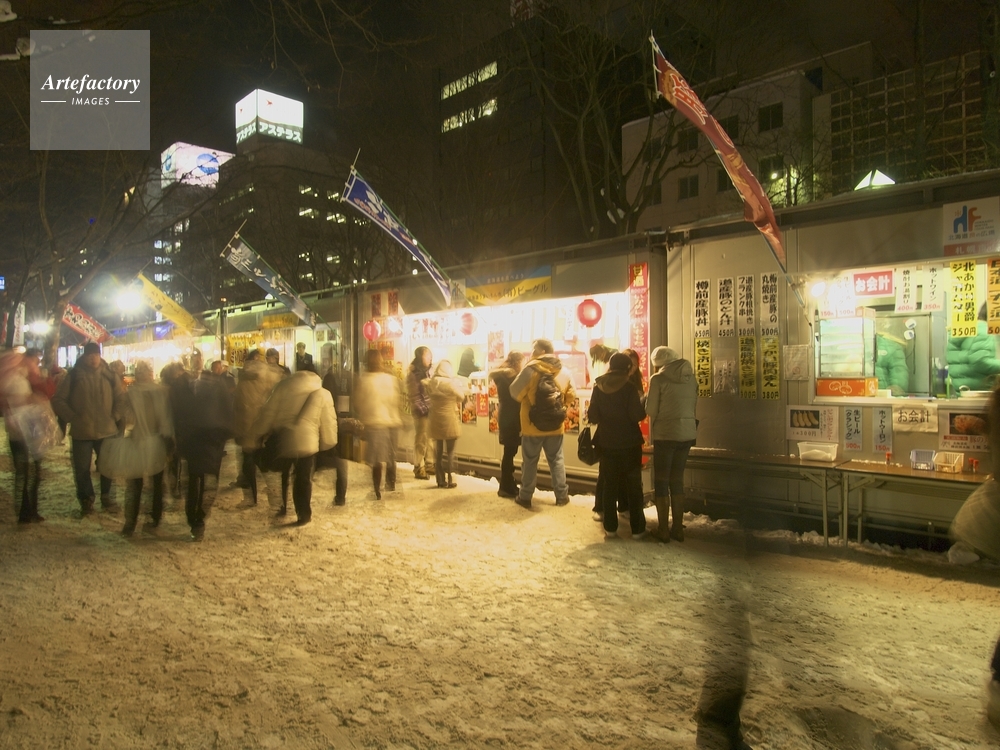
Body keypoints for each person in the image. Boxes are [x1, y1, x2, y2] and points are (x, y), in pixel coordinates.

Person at [252, 362, 337, 525]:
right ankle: (303, 513)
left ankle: (284, 505)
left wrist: (258, 432)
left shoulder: (283, 386)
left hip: (285, 438)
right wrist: (328, 442)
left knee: (285, 474)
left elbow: (268, 412)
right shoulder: (322, 391)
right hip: (309, 441)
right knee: (303, 477)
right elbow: (328, 421)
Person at [51, 342, 128, 516]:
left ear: (100, 356)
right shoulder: (74, 375)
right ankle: (86, 500)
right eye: (90, 355)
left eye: (96, 355)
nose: (93, 358)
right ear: (85, 356)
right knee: (82, 469)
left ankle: (107, 497)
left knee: (108, 466)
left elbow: (121, 398)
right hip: (82, 432)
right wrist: (72, 417)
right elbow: (58, 400)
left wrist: (115, 416)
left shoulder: (109, 375)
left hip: (106, 430)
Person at [509, 339, 575, 509]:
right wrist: (559, 405)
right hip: (555, 426)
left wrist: (529, 398)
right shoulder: (564, 370)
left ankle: (525, 497)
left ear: (542, 351)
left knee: (530, 461)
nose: (531, 353)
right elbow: (571, 395)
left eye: (533, 350)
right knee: (557, 460)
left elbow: (514, 392)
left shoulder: (529, 370)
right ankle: (562, 496)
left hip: (532, 425)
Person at [587, 352, 647, 539]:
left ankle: (610, 528)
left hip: (607, 442)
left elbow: (592, 416)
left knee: (609, 484)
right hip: (629, 443)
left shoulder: (598, 386)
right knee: (634, 485)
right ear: (627, 368)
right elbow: (637, 415)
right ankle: (637, 530)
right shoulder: (629, 388)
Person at [173, 358, 233, 540]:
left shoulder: (189, 389)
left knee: (194, 481)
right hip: (211, 443)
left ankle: (194, 519)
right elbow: (229, 414)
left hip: (196, 442)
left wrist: (181, 440)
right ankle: (199, 518)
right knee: (209, 482)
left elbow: (180, 416)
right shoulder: (219, 388)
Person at [645, 346, 698, 542]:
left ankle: (663, 530)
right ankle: (677, 529)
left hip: (666, 435)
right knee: (677, 480)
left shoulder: (658, 379)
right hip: (687, 435)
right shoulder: (690, 378)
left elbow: (650, 411)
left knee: (661, 481)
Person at [119, 361, 173, 536]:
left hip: (152, 440)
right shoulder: (132, 393)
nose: (143, 375)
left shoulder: (158, 392)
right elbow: (125, 414)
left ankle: (150, 518)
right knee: (139, 483)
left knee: (153, 483)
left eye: (145, 372)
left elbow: (165, 418)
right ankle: (135, 520)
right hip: (141, 441)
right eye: (140, 372)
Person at [0, 351, 49, 523]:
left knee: (32, 473)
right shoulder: (14, 380)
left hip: (29, 432)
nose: (36, 365)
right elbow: (15, 402)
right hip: (20, 434)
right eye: (34, 361)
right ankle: (24, 511)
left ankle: (30, 510)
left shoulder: (24, 379)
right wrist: (33, 399)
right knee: (25, 473)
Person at [232, 350, 285, 505]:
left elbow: (236, 403)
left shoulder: (242, 377)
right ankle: (273, 496)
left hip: (246, 424)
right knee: (261, 459)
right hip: (263, 423)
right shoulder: (270, 375)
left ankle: (251, 495)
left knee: (247, 458)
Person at [354, 349, 403, 499]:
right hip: (392, 421)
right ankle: (391, 482)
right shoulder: (390, 379)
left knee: (377, 459)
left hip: (375, 422)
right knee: (390, 454)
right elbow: (396, 400)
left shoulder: (365, 380)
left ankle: (377, 489)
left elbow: (359, 403)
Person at [424, 359, 466, 489]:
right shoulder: (451, 384)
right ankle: (450, 479)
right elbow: (461, 397)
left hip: (435, 420)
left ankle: (440, 480)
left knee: (438, 452)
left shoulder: (431, 383)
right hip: (449, 420)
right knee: (450, 453)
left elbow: (427, 391)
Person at [488, 351, 524, 499]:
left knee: (509, 452)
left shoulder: (502, 376)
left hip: (505, 414)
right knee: (510, 452)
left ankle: (507, 484)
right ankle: (505, 486)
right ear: (517, 362)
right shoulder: (513, 378)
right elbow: (518, 397)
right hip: (512, 416)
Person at [946, 303, 1000, 390]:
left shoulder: (966, 329)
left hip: (965, 389)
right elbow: (980, 361)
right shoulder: (985, 330)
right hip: (983, 390)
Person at [406, 346, 435, 480]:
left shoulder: (429, 371)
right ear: (420, 357)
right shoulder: (414, 374)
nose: (430, 358)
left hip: (429, 409)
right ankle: (418, 466)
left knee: (429, 438)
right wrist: (424, 410)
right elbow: (414, 395)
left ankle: (429, 464)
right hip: (420, 411)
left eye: (430, 355)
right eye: (427, 355)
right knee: (421, 439)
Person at [321, 366, 349, 505]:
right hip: (336, 439)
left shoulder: (320, 397)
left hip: (323, 441)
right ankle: (341, 497)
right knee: (341, 466)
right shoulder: (337, 401)